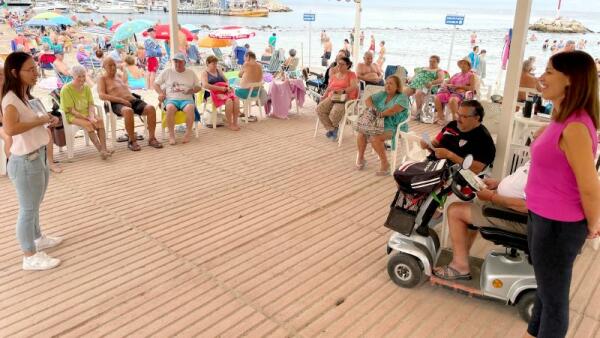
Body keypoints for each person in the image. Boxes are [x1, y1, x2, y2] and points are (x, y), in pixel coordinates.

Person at [524, 51, 600, 338]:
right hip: (542, 218)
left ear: (572, 80)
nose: (541, 78)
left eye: (549, 72)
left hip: (558, 226)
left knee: (554, 303)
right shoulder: (562, 119)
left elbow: (590, 186)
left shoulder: (576, 127)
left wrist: (593, 224)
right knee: (545, 290)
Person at [1, 52, 62, 270]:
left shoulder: (23, 96)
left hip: (37, 157)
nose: (35, 73)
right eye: (30, 70)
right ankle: (29, 255)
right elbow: (10, 128)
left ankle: (38, 238)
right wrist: (39, 120)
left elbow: (32, 121)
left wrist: (46, 120)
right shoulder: (10, 100)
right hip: (25, 161)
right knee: (27, 209)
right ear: (15, 73)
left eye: (35, 69)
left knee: (35, 204)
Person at [434, 162, 529, 280]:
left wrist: (491, 197)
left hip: (520, 219)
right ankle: (462, 256)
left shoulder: (547, 165)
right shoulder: (542, 159)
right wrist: (499, 184)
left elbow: (529, 206)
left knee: (455, 211)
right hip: (514, 210)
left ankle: (460, 267)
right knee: (475, 202)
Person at [98, 57, 162, 151]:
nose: (113, 67)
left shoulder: (118, 77)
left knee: (151, 108)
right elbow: (101, 95)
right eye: (110, 65)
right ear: (104, 67)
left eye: (114, 65)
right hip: (116, 103)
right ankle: (132, 141)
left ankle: (152, 138)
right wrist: (121, 100)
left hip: (132, 100)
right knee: (128, 111)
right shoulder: (102, 79)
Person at [422, 100, 495, 174]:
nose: (458, 119)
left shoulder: (484, 139)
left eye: (464, 116)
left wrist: (450, 155)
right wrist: (428, 145)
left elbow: (477, 169)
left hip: (452, 176)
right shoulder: (452, 125)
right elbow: (435, 143)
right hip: (430, 165)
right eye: (458, 114)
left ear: (476, 118)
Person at [356, 75, 409, 175]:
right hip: (378, 123)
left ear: (397, 87)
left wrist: (379, 114)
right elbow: (368, 100)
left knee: (375, 137)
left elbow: (393, 110)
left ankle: (385, 164)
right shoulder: (382, 94)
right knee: (361, 133)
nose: (387, 85)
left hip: (395, 126)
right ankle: (361, 157)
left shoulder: (402, 97)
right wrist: (373, 109)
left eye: (391, 83)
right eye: (386, 83)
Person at [60, 65, 111, 159]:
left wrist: (92, 116)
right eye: (79, 76)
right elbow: (72, 110)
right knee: (88, 124)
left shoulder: (86, 87)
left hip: (87, 113)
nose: (82, 78)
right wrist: (88, 118)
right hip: (72, 116)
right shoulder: (66, 89)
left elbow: (91, 104)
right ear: (73, 76)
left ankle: (104, 149)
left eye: (83, 76)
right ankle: (101, 151)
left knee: (99, 120)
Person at [154, 53, 201, 145]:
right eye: (175, 61)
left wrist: (191, 90)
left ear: (184, 62)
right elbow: (156, 84)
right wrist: (160, 93)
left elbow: (199, 87)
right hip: (171, 99)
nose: (177, 64)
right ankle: (171, 135)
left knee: (190, 108)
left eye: (180, 62)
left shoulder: (190, 73)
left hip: (186, 99)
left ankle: (188, 133)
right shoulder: (168, 72)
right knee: (170, 108)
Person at [315, 56, 359, 141]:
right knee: (319, 109)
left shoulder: (351, 74)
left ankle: (333, 129)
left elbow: (354, 86)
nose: (339, 66)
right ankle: (332, 129)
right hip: (333, 97)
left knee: (335, 112)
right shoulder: (334, 76)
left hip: (345, 98)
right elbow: (329, 87)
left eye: (342, 65)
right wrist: (324, 96)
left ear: (348, 65)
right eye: (338, 64)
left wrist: (342, 91)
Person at [201, 55, 241, 131]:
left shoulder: (218, 70)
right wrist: (220, 88)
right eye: (213, 64)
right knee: (229, 101)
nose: (215, 65)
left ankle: (235, 122)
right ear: (207, 63)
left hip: (224, 90)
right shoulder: (205, 73)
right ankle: (230, 124)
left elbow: (226, 80)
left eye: (216, 63)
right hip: (212, 92)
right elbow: (205, 85)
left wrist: (228, 87)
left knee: (236, 99)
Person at [434, 59, 475, 123]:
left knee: (453, 100)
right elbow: (448, 82)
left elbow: (472, 88)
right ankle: (440, 116)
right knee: (437, 97)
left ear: (468, 66)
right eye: (462, 63)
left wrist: (459, 86)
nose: (463, 65)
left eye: (465, 64)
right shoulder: (456, 74)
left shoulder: (471, 75)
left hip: (460, 93)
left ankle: (455, 120)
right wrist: (447, 84)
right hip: (450, 91)